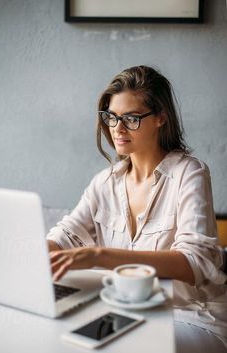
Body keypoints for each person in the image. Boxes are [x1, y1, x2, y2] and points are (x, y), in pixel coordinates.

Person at [47, 65, 227, 351]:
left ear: (161, 118)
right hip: (127, 314)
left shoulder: (189, 173)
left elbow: (196, 262)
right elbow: (64, 237)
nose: (117, 128)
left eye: (131, 118)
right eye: (111, 117)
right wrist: (29, 255)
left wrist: (100, 255)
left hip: (191, 316)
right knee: (61, 339)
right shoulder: (105, 182)